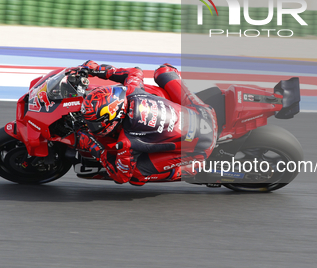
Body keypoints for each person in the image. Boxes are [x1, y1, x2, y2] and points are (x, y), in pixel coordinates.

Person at [75, 61, 218, 186]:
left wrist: (92, 145)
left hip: (202, 145)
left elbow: (121, 177)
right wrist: (96, 69)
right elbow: (135, 72)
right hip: (203, 111)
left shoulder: (127, 141)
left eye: (93, 123)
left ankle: (190, 168)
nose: (90, 125)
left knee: (136, 175)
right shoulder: (132, 91)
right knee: (164, 70)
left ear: (112, 119)